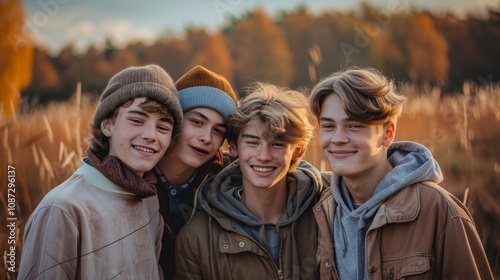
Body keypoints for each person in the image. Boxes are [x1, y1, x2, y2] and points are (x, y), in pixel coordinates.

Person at [309, 67, 494, 279]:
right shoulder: (322, 211)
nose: (338, 138)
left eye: (354, 126)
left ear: (387, 134)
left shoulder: (439, 210)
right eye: (329, 126)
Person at [18, 64, 183, 279]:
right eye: (136, 120)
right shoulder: (63, 209)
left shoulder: (150, 200)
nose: (151, 135)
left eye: (163, 127)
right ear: (107, 126)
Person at [175, 82, 327, 279]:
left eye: (277, 144)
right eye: (252, 142)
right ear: (234, 148)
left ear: (296, 151)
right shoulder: (195, 238)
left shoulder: (327, 212)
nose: (264, 156)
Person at [153, 65, 238, 279]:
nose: (206, 137)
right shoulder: (134, 174)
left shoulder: (226, 179)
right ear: (173, 119)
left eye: (218, 130)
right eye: (197, 122)